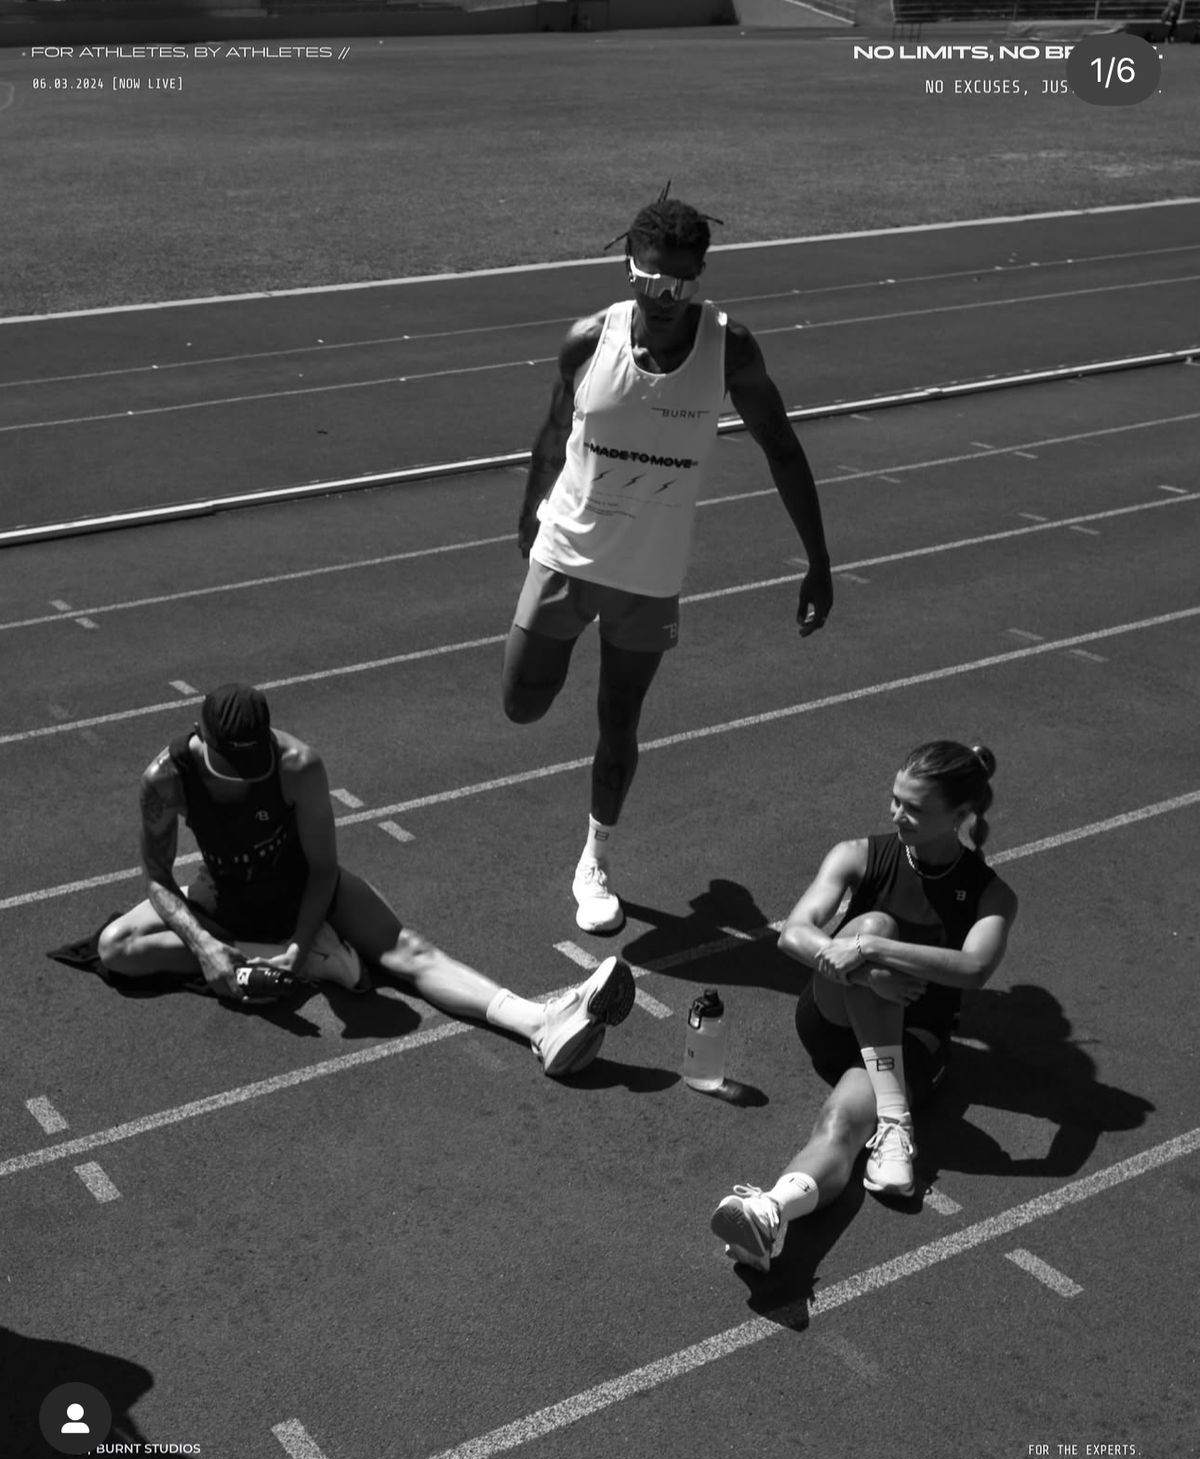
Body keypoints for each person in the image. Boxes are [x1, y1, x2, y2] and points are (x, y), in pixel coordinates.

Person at [503, 187, 833, 934]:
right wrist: (529, 509)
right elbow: (553, 434)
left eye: (681, 283)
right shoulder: (588, 340)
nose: (664, 296)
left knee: (619, 722)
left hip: (648, 577)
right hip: (568, 554)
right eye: (651, 279)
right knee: (522, 705)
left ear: (702, 276)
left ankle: (596, 859)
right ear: (630, 267)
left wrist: (817, 559)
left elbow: (782, 446)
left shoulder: (730, 350)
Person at [97, 683, 635, 1078]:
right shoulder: (165, 781)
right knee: (114, 947)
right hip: (223, 891)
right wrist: (208, 948)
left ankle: (540, 1020)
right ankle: (302, 962)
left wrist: (298, 938)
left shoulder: (297, 764)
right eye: (235, 767)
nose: (250, 774)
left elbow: (324, 867)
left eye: (254, 762)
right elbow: (157, 878)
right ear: (202, 743)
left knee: (411, 953)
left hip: (303, 885)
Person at [710, 741, 1018, 1271]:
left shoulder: (991, 894)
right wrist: (872, 971)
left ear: (961, 816)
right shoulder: (859, 853)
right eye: (896, 799)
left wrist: (875, 951)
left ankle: (769, 1212)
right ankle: (897, 1120)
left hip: (911, 1042)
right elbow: (793, 936)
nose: (896, 813)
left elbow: (975, 969)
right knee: (872, 922)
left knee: (840, 1127)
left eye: (915, 808)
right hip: (831, 1020)